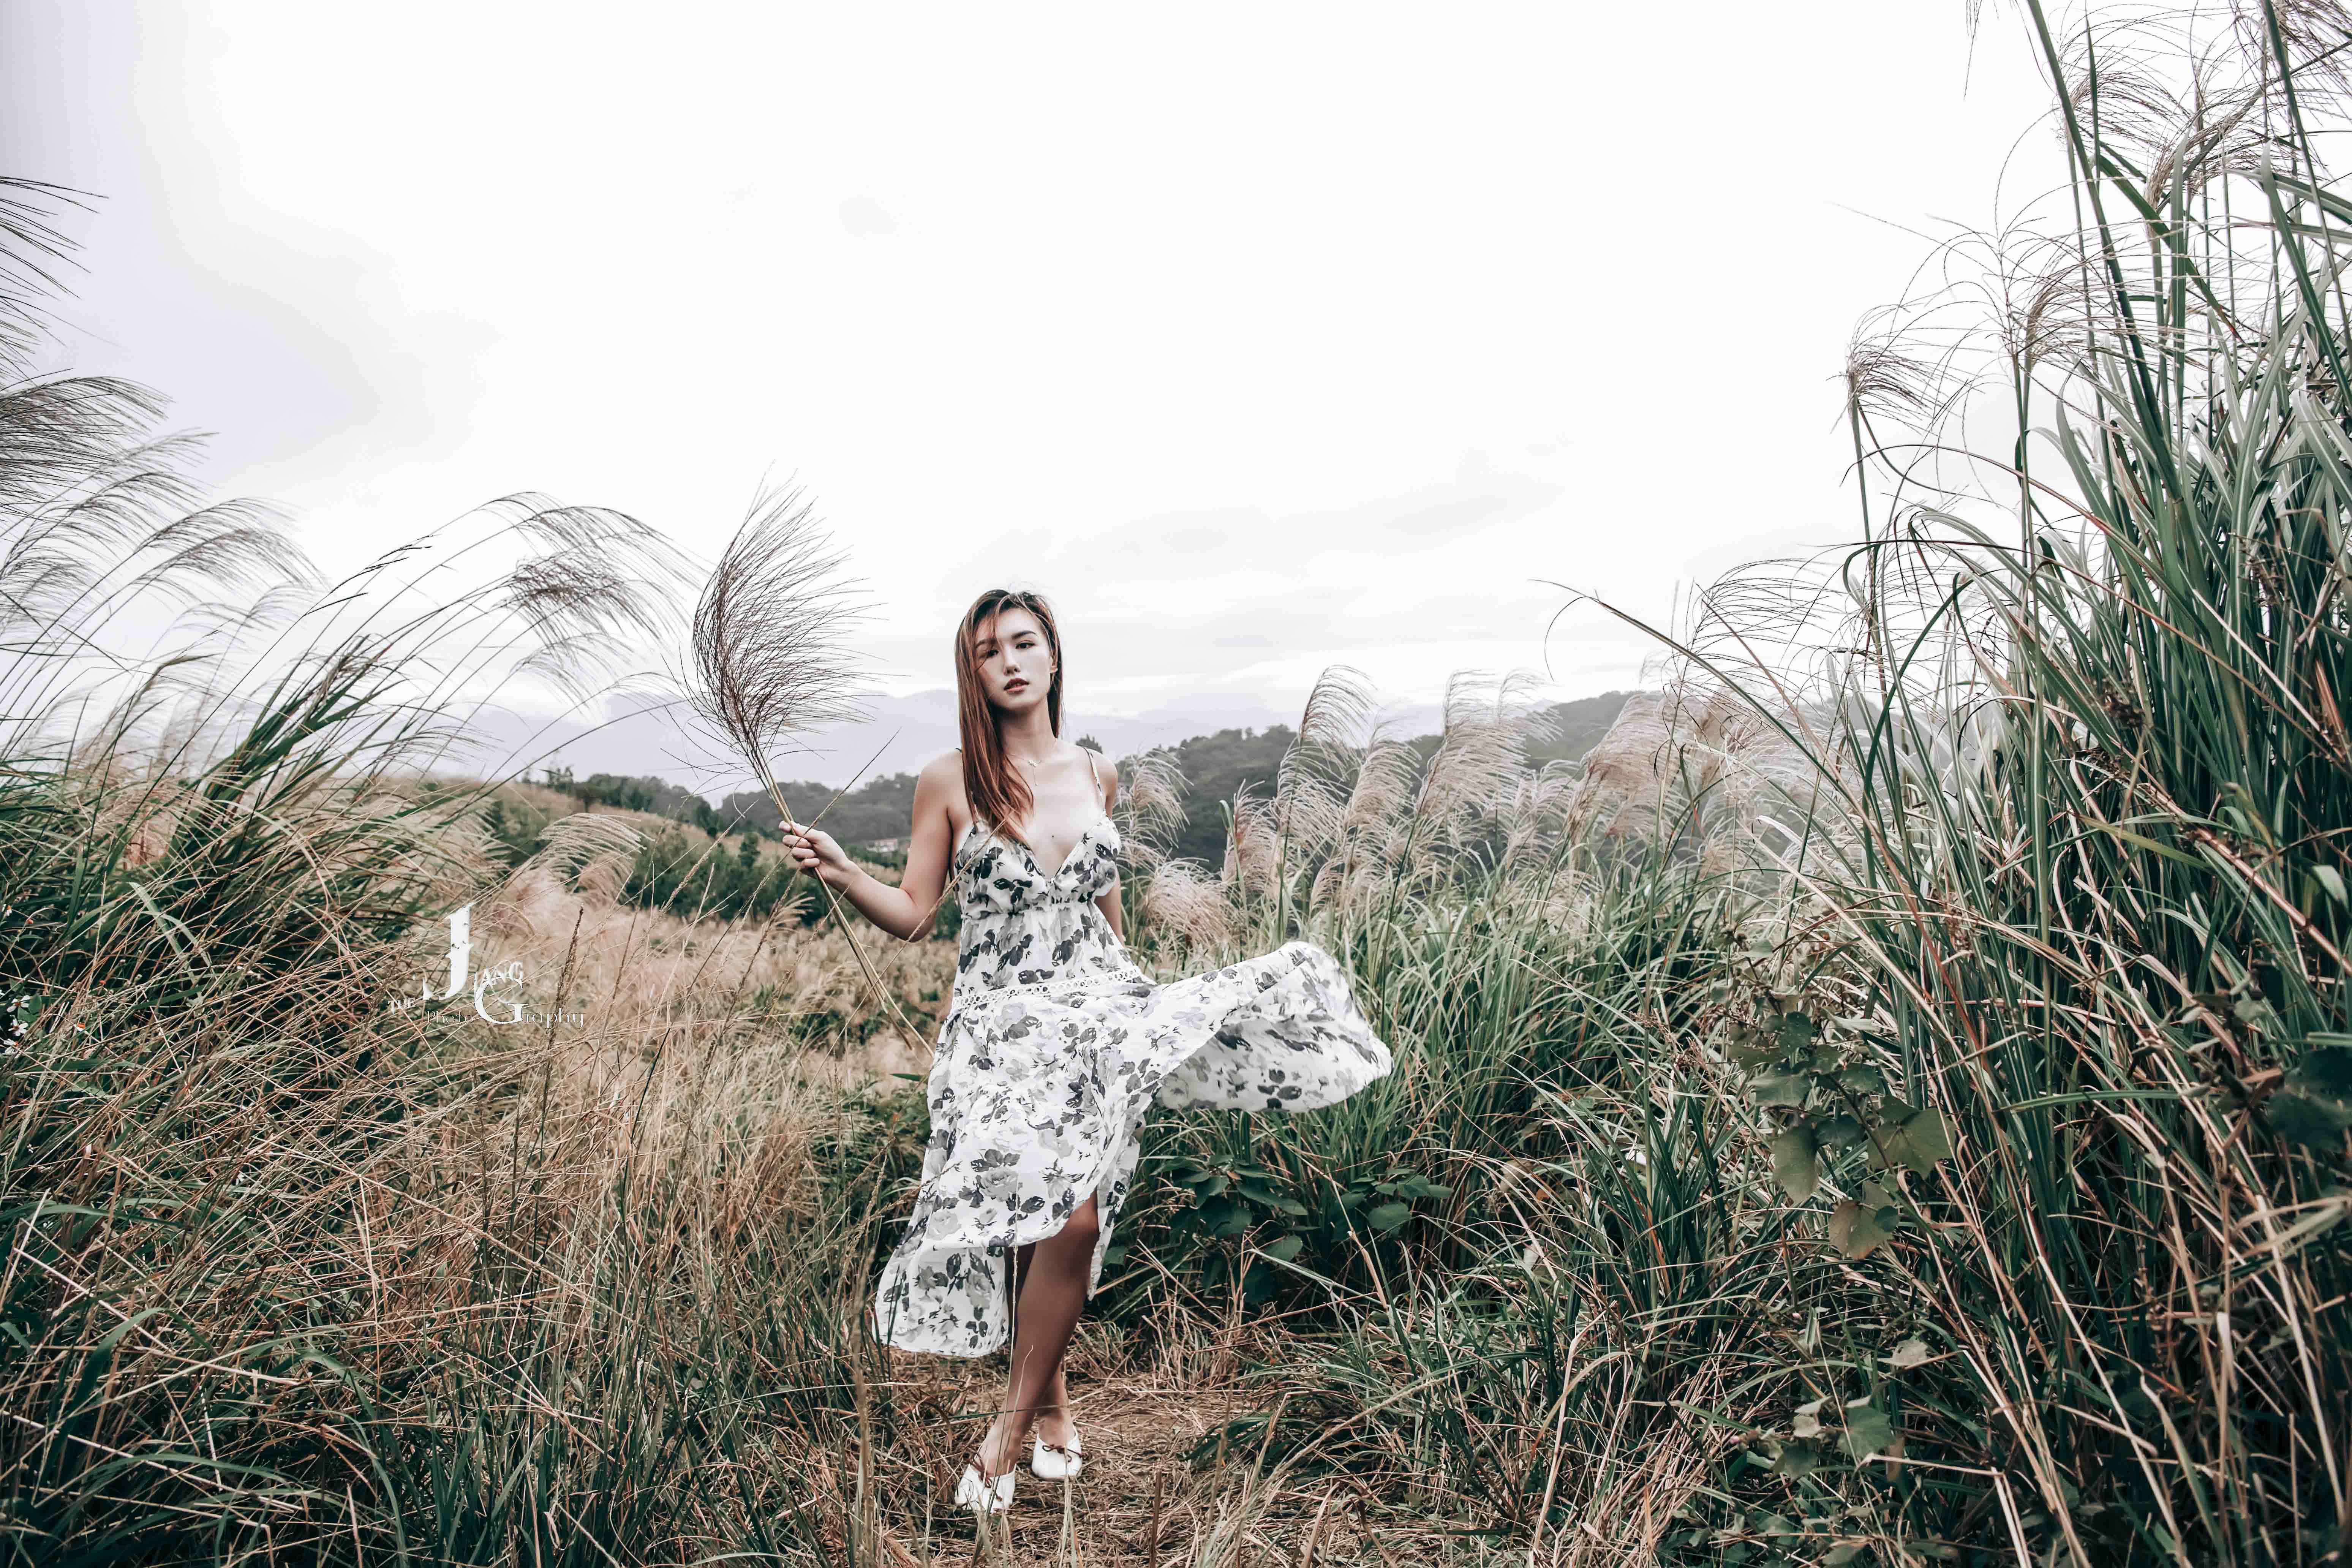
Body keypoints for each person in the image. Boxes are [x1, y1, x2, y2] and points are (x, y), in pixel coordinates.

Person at [780, 587, 1393, 1516]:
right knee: (1042, 1215)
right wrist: (841, 869)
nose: (1011, 662)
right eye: (990, 651)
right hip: (998, 1027)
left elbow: (1108, 916)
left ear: (1054, 656)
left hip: (1093, 1016)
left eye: (1025, 643)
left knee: (1068, 1217)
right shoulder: (949, 779)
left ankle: (1007, 1435)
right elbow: (914, 916)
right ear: (973, 672)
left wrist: (1140, 1017)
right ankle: (1051, 1407)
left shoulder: (1098, 773)